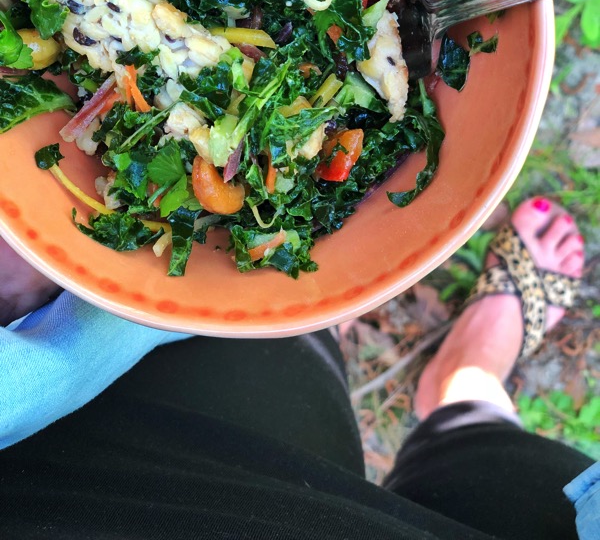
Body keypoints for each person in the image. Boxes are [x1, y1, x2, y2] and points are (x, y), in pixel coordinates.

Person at [0, 197, 597, 539]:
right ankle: (468, 389)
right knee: (505, 471)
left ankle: (452, 384)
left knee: (276, 339)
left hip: (90, 480)